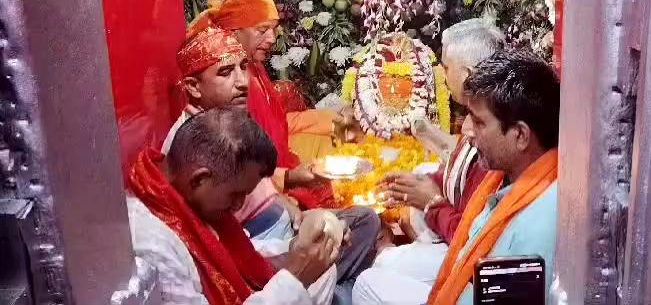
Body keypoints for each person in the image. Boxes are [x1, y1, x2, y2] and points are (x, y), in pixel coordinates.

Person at [164, 26, 380, 288]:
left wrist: (295, 212)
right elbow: (229, 247)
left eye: (243, 67)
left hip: (285, 226)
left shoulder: (228, 120)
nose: (242, 82)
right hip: (262, 249)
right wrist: (297, 250)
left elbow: (258, 185)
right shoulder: (192, 147)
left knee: (365, 220)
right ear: (193, 87)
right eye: (225, 72)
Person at [353, 49, 560, 305]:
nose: (467, 131)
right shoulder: (506, 180)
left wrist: (432, 204)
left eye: (480, 122)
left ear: (520, 135)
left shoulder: (536, 228)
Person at [127, 107, 338, 305]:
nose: (239, 205)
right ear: (199, 179)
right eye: (235, 194)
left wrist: (300, 248)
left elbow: (241, 254)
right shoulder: (153, 244)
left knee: (324, 270)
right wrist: (296, 276)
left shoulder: (182, 191)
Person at [353, 19, 503, 294]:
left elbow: (473, 235)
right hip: (456, 237)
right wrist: (418, 185)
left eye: (446, 68)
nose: (443, 79)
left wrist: (432, 202)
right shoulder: (483, 113)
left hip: (473, 259)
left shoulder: (491, 131)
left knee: (374, 273)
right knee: (422, 173)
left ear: (468, 74)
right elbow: (461, 174)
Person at [188, 0, 354, 210]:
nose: (272, 39)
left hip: (280, 172)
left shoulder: (255, 69)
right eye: (262, 30)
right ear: (234, 32)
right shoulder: (230, 89)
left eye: (274, 30)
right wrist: (288, 182)